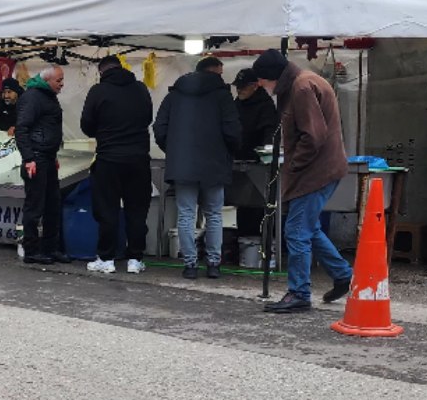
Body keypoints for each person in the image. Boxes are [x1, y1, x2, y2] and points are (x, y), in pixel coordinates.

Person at [252, 49, 353, 313]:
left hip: (314, 172)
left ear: (273, 76)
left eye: (262, 80)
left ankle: (299, 293)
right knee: (308, 228)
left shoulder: (301, 88)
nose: (261, 85)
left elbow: (314, 136)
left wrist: (295, 166)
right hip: (323, 168)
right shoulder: (306, 80)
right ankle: (342, 274)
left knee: (296, 232)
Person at [154, 57, 242, 279]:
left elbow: (160, 127)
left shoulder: (174, 95)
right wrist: (229, 151)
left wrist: (174, 150)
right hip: (214, 163)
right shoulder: (223, 96)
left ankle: (190, 265)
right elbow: (232, 130)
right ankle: (213, 264)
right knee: (214, 214)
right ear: (214, 72)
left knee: (186, 214)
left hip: (183, 164)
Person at [80, 55, 154, 274]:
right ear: (122, 67)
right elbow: (148, 118)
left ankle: (106, 258)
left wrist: (104, 130)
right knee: (137, 210)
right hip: (139, 159)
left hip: (108, 159)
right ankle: (135, 259)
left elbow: (86, 125)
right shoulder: (140, 89)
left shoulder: (98, 91)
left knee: (107, 210)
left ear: (102, 72)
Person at [15, 66, 67, 265]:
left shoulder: (48, 96)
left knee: (53, 204)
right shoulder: (33, 97)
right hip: (36, 158)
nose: (62, 84)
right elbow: (22, 129)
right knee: (35, 206)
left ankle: (50, 248)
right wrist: (29, 158)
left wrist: (53, 155)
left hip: (47, 157)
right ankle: (31, 250)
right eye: (59, 80)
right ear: (47, 80)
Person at [232, 67, 280, 236]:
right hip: (238, 162)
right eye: (238, 86)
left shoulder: (266, 106)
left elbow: (270, 133)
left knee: (257, 205)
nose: (239, 90)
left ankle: (257, 244)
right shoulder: (236, 104)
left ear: (255, 86)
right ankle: (243, 241)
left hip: (258, 165)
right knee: (242, 204)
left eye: (243, 86)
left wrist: (263, 156)